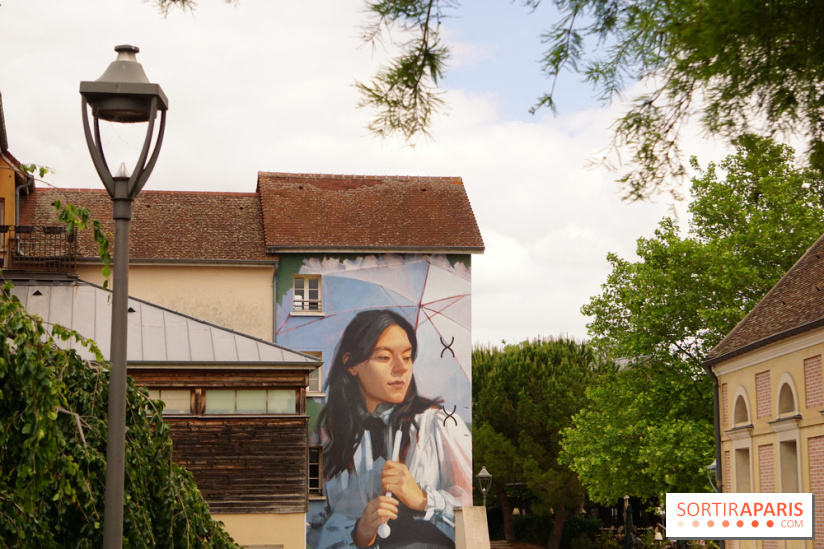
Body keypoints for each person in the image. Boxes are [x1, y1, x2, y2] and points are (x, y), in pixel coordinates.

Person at [310, 309, 472, 549]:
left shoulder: (440, 426)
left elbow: (474, 518)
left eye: (407, 357)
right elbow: (308, 529)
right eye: (384, 357)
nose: (401, 368)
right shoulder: (328, 439)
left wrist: (424, 500)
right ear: (351, 364)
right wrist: (359, 533)